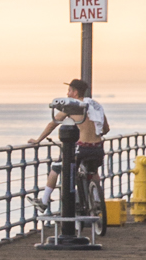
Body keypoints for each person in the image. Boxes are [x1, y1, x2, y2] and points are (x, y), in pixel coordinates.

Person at [32, 79, 110, 233]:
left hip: (82, 148)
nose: (67, 94)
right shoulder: (96, 105)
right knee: (93, 172)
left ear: (75, 92)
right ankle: (96, 199)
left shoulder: (72, 106)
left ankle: (44, 201)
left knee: (56, 168)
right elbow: (106, 128)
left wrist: (38, 140)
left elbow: (52, 124)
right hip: (97, 148)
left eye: (69, 91)